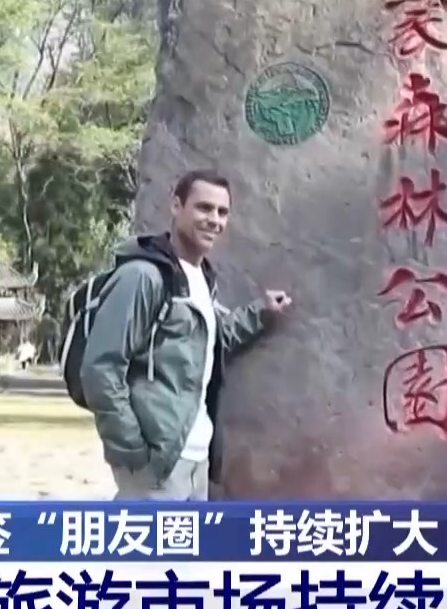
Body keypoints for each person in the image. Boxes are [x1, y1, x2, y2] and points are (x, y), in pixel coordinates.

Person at [77, 169, 293, 500]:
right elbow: (101, 367)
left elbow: (208, 342)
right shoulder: (142, 277)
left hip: (197, 459)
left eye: (222, 212)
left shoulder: (201, 277)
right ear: (177, 206)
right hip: (157, 462)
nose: (214, 220)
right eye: (204, 208)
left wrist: (260, 313)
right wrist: (132, 447)